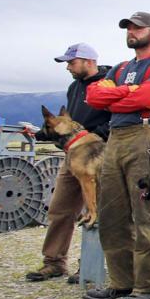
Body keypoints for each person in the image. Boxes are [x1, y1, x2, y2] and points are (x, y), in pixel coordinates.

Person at [83, 11, 150, 299]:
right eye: (129, 28)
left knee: (144, 213)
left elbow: (144, 99)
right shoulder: (121, 67)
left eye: (138, 28)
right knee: (112, 213)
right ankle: (120, 282)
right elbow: (93, 97)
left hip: (146, 135)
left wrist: (119, 96)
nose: (132, 32)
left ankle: (146, 286)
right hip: (115, 137)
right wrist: (128, 93)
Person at [24, 43, 111, 283]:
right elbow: (65, 123)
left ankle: (89, 266)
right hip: (72, 154)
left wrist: (96, 134)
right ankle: (54, 262)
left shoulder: (109, 81)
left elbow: (117, 115)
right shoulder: (74, 87)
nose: (68, 68)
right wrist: (43, 133)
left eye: (71, 63)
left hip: (97, 154)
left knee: (96, 211)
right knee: (60, 208)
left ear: (89, 61)